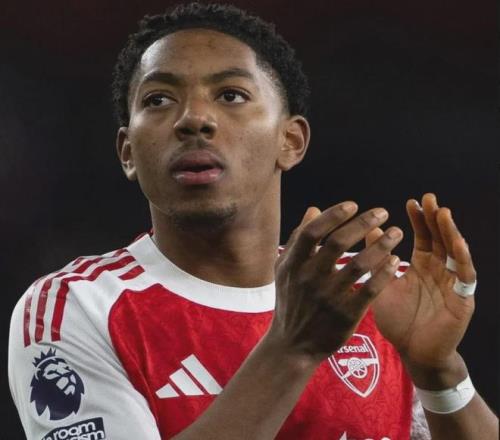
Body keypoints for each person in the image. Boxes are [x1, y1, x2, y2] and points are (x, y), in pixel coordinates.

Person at [8, 3, 498, 439]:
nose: (193, 119)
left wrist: (440, 373)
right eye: (158, 99)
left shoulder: (368, 292)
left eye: (231, 95)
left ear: (291, 141)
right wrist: (292, 348)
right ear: (127, 152)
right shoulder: (78, 307)